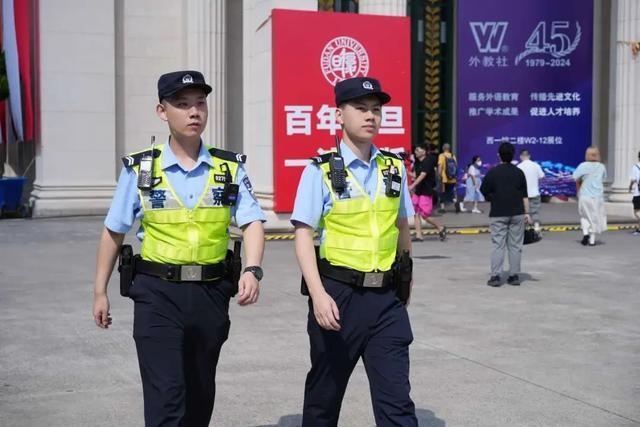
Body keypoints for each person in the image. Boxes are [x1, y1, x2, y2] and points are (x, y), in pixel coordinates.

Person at [92, 70, 266, 426]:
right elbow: (114, 231)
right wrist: (99, 291)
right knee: (166, 396)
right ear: (162, 111)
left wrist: (252, 268)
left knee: (200, 396)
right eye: (182, 104)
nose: (194, 112)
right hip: (158, 294)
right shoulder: (141, 168)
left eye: (200, 103)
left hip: (211, 292)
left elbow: (252, 222)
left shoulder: (228, 167)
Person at [291, 76, 417, 426]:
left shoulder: (393, 168)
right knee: (324, 398)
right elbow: (303, 236)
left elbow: (402, 227)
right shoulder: (319, 171)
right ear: (338, 116)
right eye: (360, 109)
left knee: (397, 401)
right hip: (338, 296)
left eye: (376, 110)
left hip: (387, 299)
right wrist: (318, 295)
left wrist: (407, 280)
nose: (370, 116)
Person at [480, 143, 530, 287]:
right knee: (515, 245)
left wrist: (493, 198)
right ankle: (514, 276)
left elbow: (484, 190)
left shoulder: (493, 172)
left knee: (498, 245)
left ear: (499, 155)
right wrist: (527, 212)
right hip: (517, 212)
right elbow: (524, 196)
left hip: (498, 212)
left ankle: (496, 276)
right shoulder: (519, 173)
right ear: (513, 155)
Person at [409, 143, 446, 241]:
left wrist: (412, 185)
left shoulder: (428, 161)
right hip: (418, 191)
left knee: (424, 215)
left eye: (418, 150)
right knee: (415, 213)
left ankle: (440, 227)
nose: (415, 152)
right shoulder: (417, 162)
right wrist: (402, 169)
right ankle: (419, 235)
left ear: (424, 151)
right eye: (415, 150)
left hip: (426, 191)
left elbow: (422, 175)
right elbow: (415, 175)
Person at [573, 147, 607, 246]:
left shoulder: (582, 166)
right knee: (595, 217)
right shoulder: (601, 167)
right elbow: (603, 178)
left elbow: (575, 177)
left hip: (585, 195)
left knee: (584, 216)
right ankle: (592, 240)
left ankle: (585, 234)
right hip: (597, 196)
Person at [517, 149, 545, 232]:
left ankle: (523, 230)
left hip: (522, 195)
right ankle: (536, 228)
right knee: (535, 212)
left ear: (521, 156)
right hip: (535, 193)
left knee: (523, 212)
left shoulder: (519, 167)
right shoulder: (536, 165)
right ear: (529, 156)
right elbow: (542, 176)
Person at [437, 143, 460, 213]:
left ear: (443, 148)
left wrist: (439, 175)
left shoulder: (441, 156)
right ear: (449, 149)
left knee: (442, 193)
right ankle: (455, 201)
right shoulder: (453, 156)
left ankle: (442, 208)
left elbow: (440, 166)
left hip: (444, 178)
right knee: (451, 192)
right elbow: (456, 166)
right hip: (452, 178)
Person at [628, 150, 640, 235]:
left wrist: (630, 187)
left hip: (638, 193)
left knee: (636, 212)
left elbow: (633, 180)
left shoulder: (635, 167)